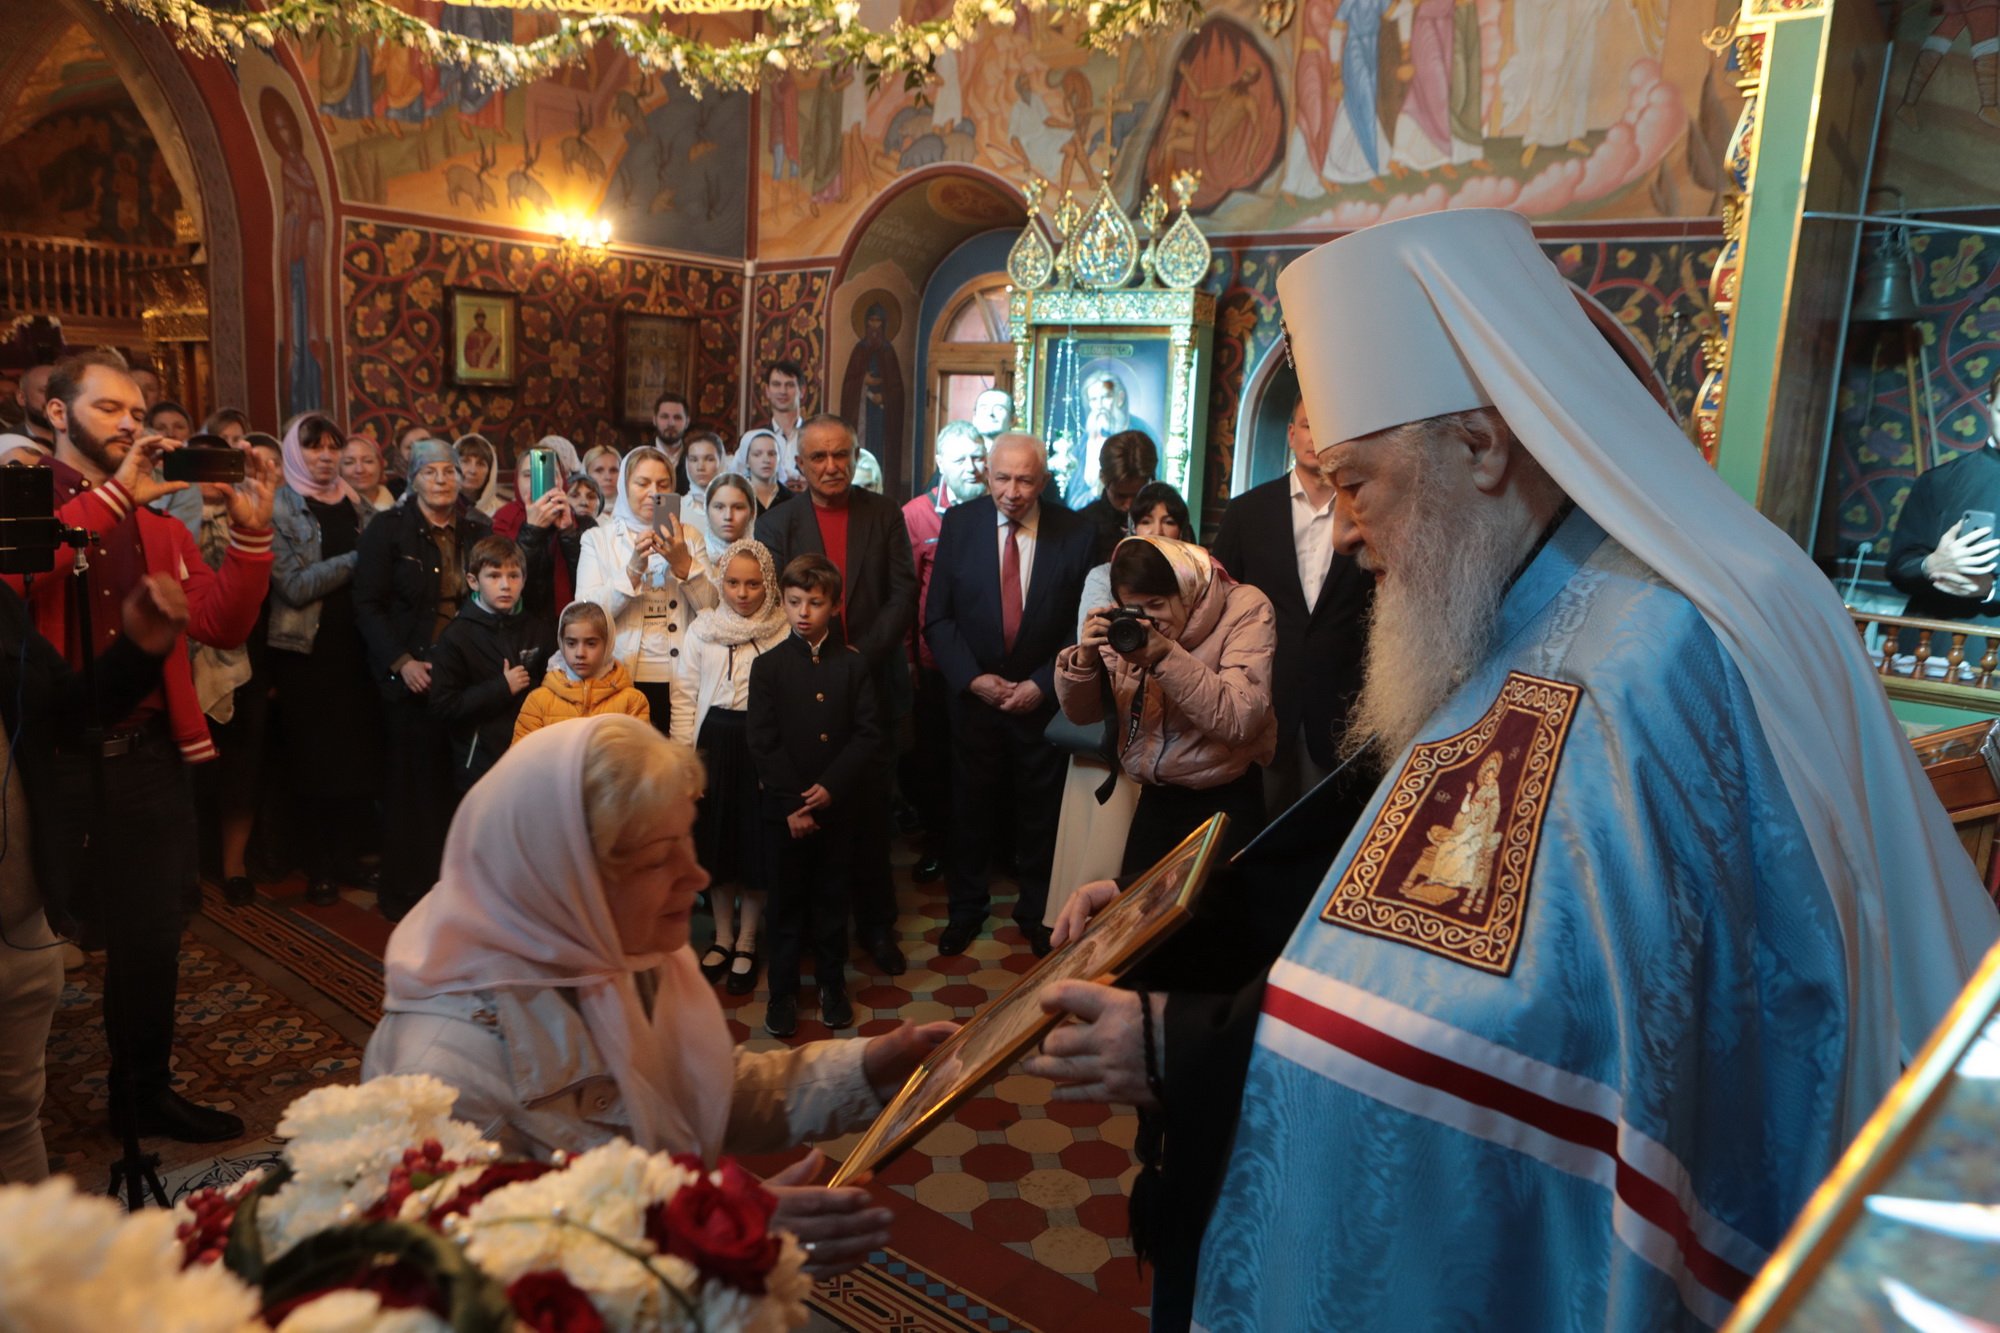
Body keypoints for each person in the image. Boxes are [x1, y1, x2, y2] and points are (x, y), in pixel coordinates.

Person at [1027, 209, 2000, 1332]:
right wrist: (1172, 931)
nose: (1340, 529)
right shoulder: (1532, 601)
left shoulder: (1629, 662)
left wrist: (1180, 1045)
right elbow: (1379, 868)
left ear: (1480, 447)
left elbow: (1520, 1020)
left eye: (1354, 482)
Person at [362, 715, 955, 1280]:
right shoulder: (439, 1076)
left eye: (687, 842)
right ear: (567, 880)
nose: (696, 877)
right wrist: (703, 1242)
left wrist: (866, 1070)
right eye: (655, 858)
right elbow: (476, 1292)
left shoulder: (613, 953)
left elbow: (697, 1086)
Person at [19, 351, 277, 1144]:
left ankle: (141, 1091)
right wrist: (111, 500)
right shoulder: (27, 503)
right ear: (59, 414)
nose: (130, 423)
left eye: (138, 410)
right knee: (27, 944)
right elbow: (29, 580)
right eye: (108, 409)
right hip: (49, 763)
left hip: (151, 756)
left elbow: (220, 623)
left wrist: (252, 532)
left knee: (151, 938)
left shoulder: (160, 524)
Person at [0, 574, 184, 1183]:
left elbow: (64, 714)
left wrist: (136, 650)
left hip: (19, 927)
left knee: (14, 1121)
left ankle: (29, 1275)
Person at [924, 434, 1098, 956]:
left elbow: (1084, 625)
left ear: (1042, 481)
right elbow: (938, 617)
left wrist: (1042, 684)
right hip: (975, 699)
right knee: (969, 811)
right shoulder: (960, 525)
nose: (1013, 491)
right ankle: (966, 909)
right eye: (1002, 478)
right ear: (987, 476)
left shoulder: (1078, 532)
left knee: (1041, 815)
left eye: (1025, 479)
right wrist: (973, 679)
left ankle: (1039, 914)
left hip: (1041, 701)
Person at [756, 415, 916, 976]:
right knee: (807, 811)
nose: (831, 466)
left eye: (840, 455)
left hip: (871, 681)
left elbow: (903, 593)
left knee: (871, 818)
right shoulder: (777, 523)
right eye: (818, 457)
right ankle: (804, 939)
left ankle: (876, 927)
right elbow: (773, 604)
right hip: (801, 689)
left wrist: (856, 660)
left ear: (854, 456)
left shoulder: (885, 513)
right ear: (799, 465)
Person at [1057, 534, 1275, 876]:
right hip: (1156, 797)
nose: (1148, 622)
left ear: (1186, 590)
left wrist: (1163, 656)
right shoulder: (1129, 629)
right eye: (1135, 609)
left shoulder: (1246, 607)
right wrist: (1085, 660)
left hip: (1224, 801)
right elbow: (1083, 714)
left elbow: (1238, 720)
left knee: (1215, 922)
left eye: (1157, 605)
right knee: (1142, 918)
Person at [1210, 392, 1373, 815]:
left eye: (1328, 425)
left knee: (1327, 841)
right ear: (1290, 434)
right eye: (1306, 424)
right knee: (1258, 838)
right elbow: (1217, 603)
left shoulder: (1369, 513)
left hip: (1343, 709)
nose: (1316, 437)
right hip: (1264, 704)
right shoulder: (1248, 512)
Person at [355, 438, 493, 920]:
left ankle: (458, 893)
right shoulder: (387, 530)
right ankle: (405, 896)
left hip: (465, 673)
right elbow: (367, 606)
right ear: (412, 479)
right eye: (430, 472)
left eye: (449, 471)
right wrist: (402, 662)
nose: (441, 480)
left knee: (462, 787)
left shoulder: (477, 528)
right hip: (409, 674)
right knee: (412, 791)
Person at [1044, 482, 1189, 926]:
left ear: (1184, 528)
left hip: (1179, 734)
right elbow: (1093, 653)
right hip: (1116, 723)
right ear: (1130, 526)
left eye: (1168, 520)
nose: (1156, 529)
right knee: (1102, 844)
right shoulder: (1101, 578)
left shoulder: (1201, 584)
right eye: (1146, 520)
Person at [748, 555, 881, 1037]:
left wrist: (832, 787)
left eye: (816, 603)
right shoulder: (767, 668)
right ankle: (782, 991)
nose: (804, 612)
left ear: (835, 605)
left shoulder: (852, 665)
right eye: (794, 602)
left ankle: (831, 984)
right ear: (782, 603)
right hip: (783, 814)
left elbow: (867, 736)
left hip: (837, 810)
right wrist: (792, 805)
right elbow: (762, 741)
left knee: (831, 901)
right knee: (784, 906)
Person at [269, 412, 381, 907]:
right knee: (314, 762)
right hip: (307, 654)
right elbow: (293, 586)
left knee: (356, 759)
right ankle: (317, 865)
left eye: (333, 447)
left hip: (357, 648)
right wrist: (360, 559)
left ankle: (347, 858)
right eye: (315, 447)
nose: (326, 457)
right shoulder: (279, 507)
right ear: (296, 451)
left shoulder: (357, 504)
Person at [672, 539, 789, 995]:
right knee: (719, 843)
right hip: (714, 744)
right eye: (734, 582)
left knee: (754, 843)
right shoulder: (703, 628)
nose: (742, 593)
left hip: (758, 745)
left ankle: (747, 938)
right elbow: (684, 698)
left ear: (769, 584)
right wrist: (685, 762)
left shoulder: (781, 630)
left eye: (754, 584)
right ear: (720, 582)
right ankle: (721, 936)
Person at [901, 420, 988, 884]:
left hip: (991, 662)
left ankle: (983, 848)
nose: (973, 468)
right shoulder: (916, 516)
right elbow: (908, 593)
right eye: (961, 460)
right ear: (940, 465)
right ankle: (939, 842)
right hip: (937, 666)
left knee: (980, 761)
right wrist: (911, 660)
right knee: (934, 761)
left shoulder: (1001, 508)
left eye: (978, 457)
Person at [575, 446, 717, 726]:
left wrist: (684, 565)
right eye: (642, 483)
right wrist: (631, 572)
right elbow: (584, 617)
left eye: (663, 484)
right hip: (619, 673)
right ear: (624, 486)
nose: (653, 492)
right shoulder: (597, 539)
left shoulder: (691, 537)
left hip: (682, 675)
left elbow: (712, 609)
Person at [1885, 371, 2000, 665]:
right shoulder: (1938, 482)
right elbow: (1899, 567)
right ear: (1989, 403)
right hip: (1929, 644)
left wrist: (1991, 590)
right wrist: (1930, 565)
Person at [429, 535, 549, 793]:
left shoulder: (537, 629)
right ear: (473, 581)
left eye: (514, 576)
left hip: (532, 756)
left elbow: (551, 688)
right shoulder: (457, 636)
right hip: (480, 762)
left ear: (524, 579)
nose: (505, 585)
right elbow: (444, 705)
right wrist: (502, 687)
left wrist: (533, 687)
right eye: (494, 576)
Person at [513, 600, 652, 741]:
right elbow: (522, 758)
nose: (580, 653)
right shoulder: (538, 701)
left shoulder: (632, 701)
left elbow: (638, 758)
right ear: (561, 643)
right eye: (571, 643)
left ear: (608, 644)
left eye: (591, 644)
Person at [1076, 430, 1157, 562]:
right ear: (1102, 478)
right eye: (1120, 496)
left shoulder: (1171, 523)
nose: (1129, 505)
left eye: (1137, 494)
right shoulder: (1081, 527)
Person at [747, 359, 806, 486]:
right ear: (767, 391)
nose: (782, 391)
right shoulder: (752, 439)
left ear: (802, 391)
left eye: (789, 385)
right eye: (776, 384)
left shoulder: (817, 436)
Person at [0, 364, 55, 464]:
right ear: (22, 397)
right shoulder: (4, 444)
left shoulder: (84, 440)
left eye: (60, 391)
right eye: (44, 391)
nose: (54, 399)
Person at [736, 428, 793, 514]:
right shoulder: (736, 495)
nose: (766, 460)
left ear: (779, 459)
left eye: (772, 454)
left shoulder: (791, 499)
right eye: (757, 454)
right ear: (747, 460)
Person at [339, 432, 398, 512]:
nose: (360, 470)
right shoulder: (330, 510)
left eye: (368, 461)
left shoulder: (401, 507)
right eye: (349, 462)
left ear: (380, 466)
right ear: (339, 470)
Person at [649, 392, 693, 493]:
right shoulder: (638, 456)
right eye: (664, 417)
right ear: (654, 420)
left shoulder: (695, 458)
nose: (671, 423)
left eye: (677, 417)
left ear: (687, 422)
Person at [455, 433, 504, 517]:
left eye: (480, 464)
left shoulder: (503, 513)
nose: (473, 470)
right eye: (465, 461)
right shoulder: (438, 509)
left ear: (490, 472)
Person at [683, 430, 726, 513]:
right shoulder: (680, 506)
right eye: (693, 460)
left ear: (721, 462)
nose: (700, 467)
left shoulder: (735, 504)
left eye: (709, 459)